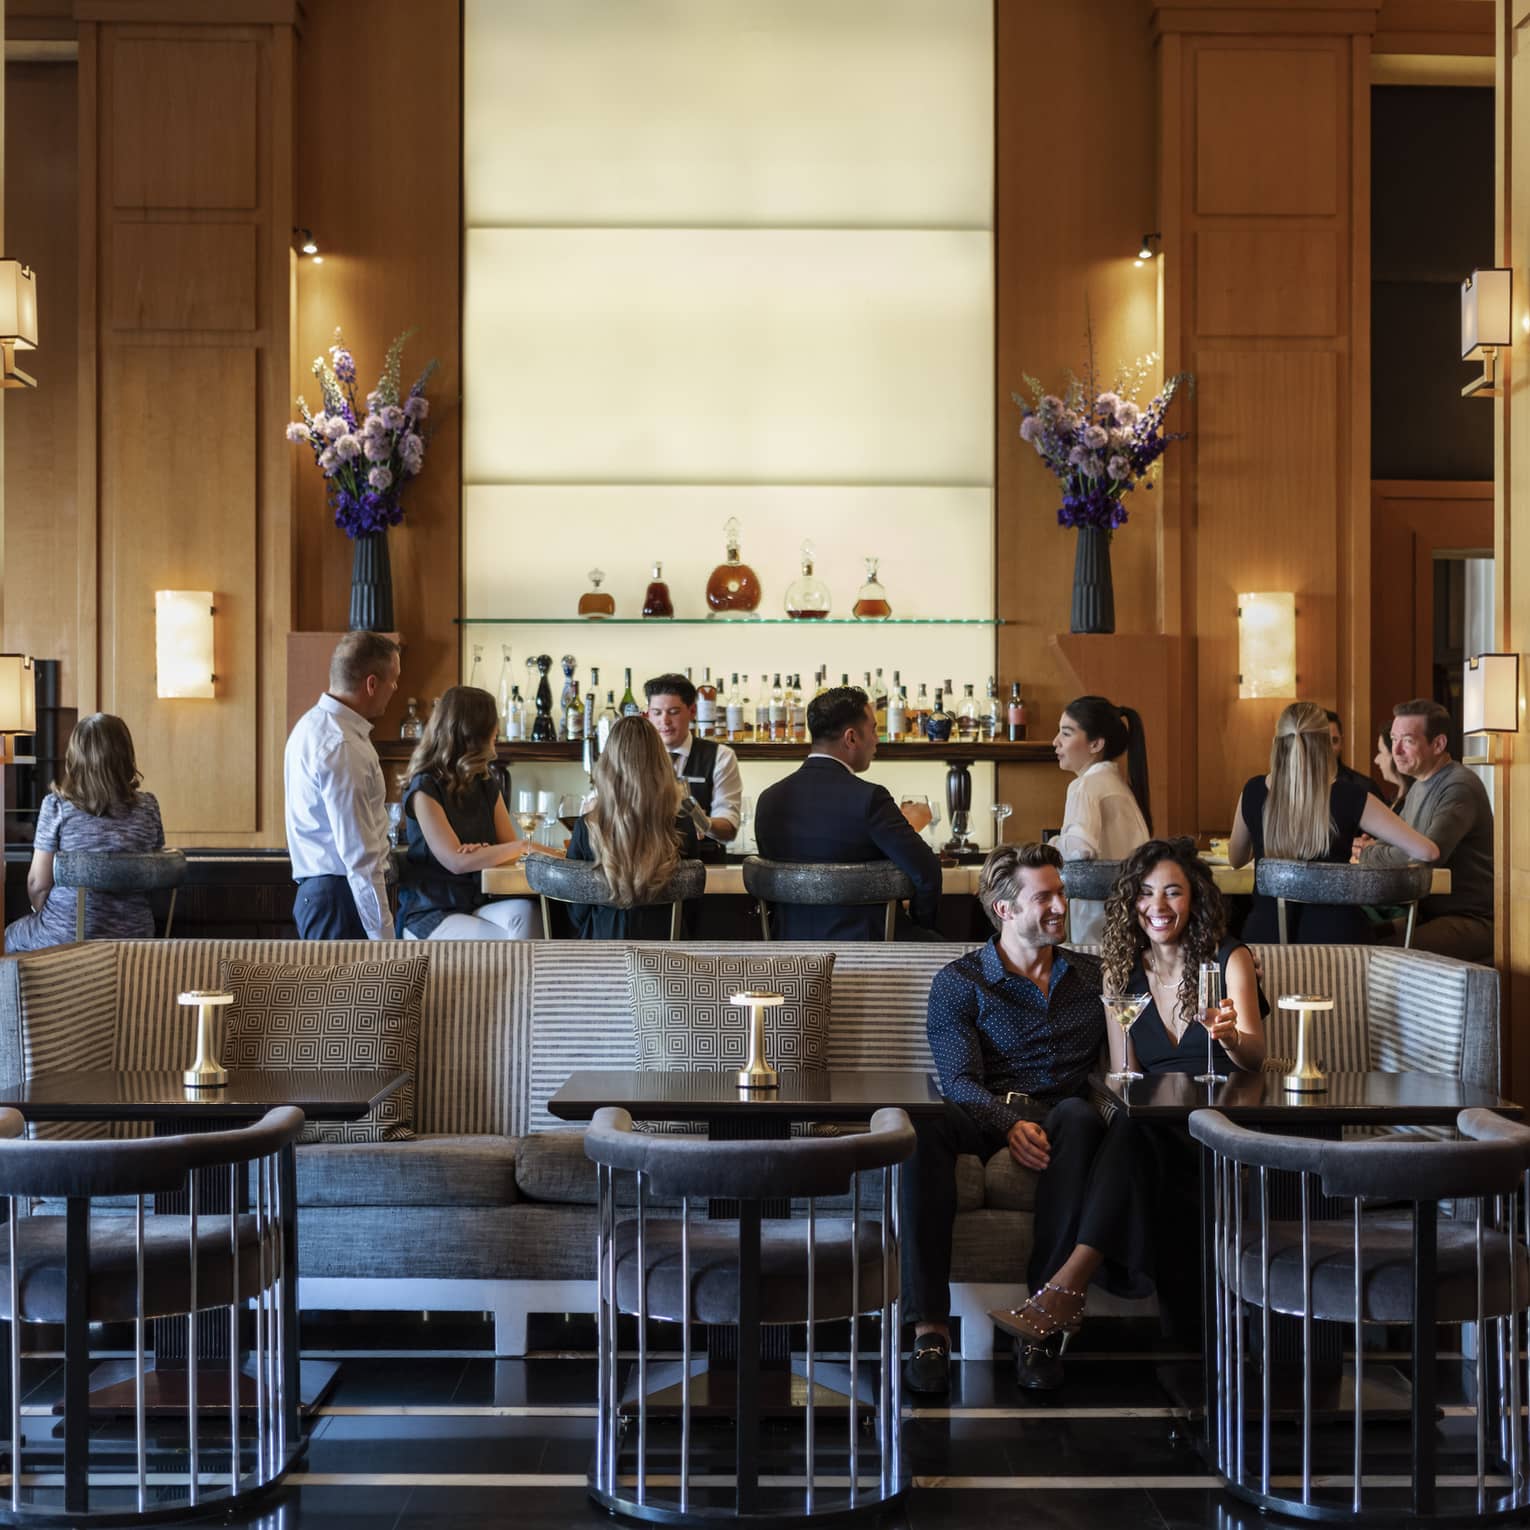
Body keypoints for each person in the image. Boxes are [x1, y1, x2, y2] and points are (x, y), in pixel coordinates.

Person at [987, 840, 1268, 1385]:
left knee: (1134, 1139)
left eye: (1172, 892)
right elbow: (1125, 1077)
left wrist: (1231, 1038)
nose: (1157, 905)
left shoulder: (1228, 959)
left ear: (1195, 899)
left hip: (1221, 1130)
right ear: (1130, 903)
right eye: (1144, 893)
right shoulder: (1120, 973)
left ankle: (1063, 1291)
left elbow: (1255, 1059)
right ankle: (1065, 1292)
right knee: (1130, 1131)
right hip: (1158, 1134)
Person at [900, 842, 1111, 1395]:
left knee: (1081, 1119)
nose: (1061, 906)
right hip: (983, 1108)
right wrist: (1006, 1123)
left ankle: (1039, 1326)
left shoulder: (1095, 979)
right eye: (1044, 897)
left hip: (1063, 1113)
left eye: (1061, 893)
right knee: (921, 1124)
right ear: (1005, 910)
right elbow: (959, 1080)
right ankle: (928, 1329)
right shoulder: (960, 981)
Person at [1230, 700, 1437, 944]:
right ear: (1325, 745)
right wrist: (1374, 851)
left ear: (1277, 744)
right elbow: (1427, 851)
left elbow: (1236, 859)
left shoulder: (1253, 791)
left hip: (1267, 944)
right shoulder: (1351, 797)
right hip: (1339, 949)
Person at [754, 686, 942, 940]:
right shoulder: (870, 799)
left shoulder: (768, 800)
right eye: (874, 730)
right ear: (851, 738)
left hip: (790, 957)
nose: (877, 739)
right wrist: (920, 925)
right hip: (872, 954)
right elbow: (927, 871)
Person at [4, 713, 165, 950]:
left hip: (65, 934)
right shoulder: (149, 807)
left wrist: (53, 920)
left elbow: (38, 884)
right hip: (135, 935)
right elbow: (154, 877)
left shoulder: (56, 805)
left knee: (8, 937)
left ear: (75, 758)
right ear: (126, 755)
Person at [396, 685, 543, 940]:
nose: (497, 729)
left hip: (475, 902)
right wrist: (504, 850)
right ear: (475, 731)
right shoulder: (424, 787)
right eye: (493, 723)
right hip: (432, 911)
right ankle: (524, 979)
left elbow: (509, 850)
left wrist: (487, 853)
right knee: (510, 944)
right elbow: (456, 861)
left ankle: (525, 979)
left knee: (529, 913)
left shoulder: (485, 783)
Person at [1359, 698, 1495, 962]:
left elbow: (1421, 858)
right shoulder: (1420, 784)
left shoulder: (1458, 786)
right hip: (1423, 912)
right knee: (1355, 936)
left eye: (1407, 741)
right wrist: (1374, 847)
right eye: (1393, 739)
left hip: (1470, 920)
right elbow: (1397, 843)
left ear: (1438, 744)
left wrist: (1367, 854)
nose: (1396, 750)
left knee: (1379, 955)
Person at [284, 631, 400, 940]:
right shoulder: (342, 746)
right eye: (394, 680)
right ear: (372, 684)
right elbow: (360, 857)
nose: (396, 688)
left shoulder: (309, 726)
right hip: (341, 901)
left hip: (323, 897)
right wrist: (384, 940)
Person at [564, 714, 703, 939]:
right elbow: (691, 910)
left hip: (601, 955)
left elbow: (575, 912)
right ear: (661, 765)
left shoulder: (587, 827)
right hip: (668, 954)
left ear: (608, 767)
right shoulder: (683, 825)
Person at [1048, 695, 1152, 943]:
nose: (1056, 742)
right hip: (1126, 921)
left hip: (1094, 927)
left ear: (1095, 744)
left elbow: (1081, 848)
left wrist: (1051, 845)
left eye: (1066, 733)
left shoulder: (1085, 786)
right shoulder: (1116, 785)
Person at [644, 673, 742, 863]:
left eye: (673, 712)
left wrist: (701, 820)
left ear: (693, 711)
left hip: (705, 869)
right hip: (649, 869)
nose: (664, 721)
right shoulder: (637, 756)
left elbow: (729, 829)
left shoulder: (720, 756)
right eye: (656, 712)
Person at [1324, 708, 1385, 802]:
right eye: (1323, 742)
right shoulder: (1296, 787)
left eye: (1334, 741)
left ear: (1342, 742)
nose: (1328, 748)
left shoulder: (1364, 787)